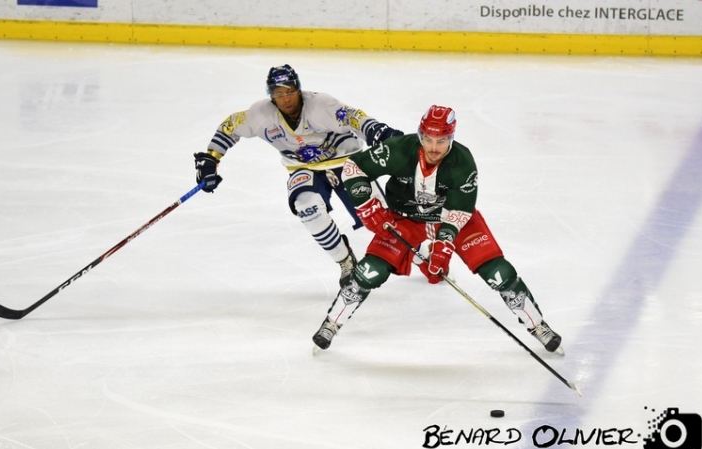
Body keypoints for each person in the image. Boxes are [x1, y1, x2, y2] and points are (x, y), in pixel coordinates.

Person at [312, 105, 563, 353]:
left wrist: (444, 244)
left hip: (450, 217)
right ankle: (332, 323)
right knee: (369, 272)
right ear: (420, 135)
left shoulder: (463, 162)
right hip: (406, 218)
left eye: (441, 141)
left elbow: (460, 210)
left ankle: (537, 325)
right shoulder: (399, 149)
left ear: (451, 138)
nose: (433, 147)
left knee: (498, 272)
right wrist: (366, 204)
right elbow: (354, 167)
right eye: (428, 139)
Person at [194, 64, 403, 286]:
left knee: (382, 219)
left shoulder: (320, 105)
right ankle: (345, 261)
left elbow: (353, 117)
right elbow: (230, 126)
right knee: (307, 209)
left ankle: (420, 253)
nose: (286, 98)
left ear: (299, 89)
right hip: (302, 169)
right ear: (271, 96)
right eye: (279, 93)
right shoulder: (261, 115)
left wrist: (376, 130)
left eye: (290, 91)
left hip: (345, 162)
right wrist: (211, 158)